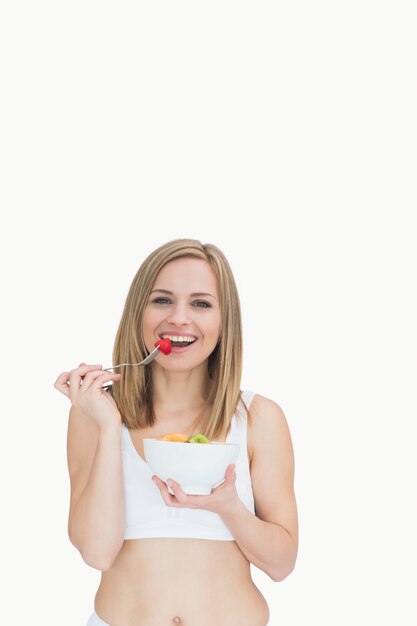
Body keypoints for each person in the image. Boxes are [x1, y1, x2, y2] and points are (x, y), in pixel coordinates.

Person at [54, 238, 298, 626]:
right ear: (139, 312)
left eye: (201, 303)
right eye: (162, 300)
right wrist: (107, 425)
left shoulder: (259, 417)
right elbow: (97, 552)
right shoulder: (94, 416)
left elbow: (282, 564)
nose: (180, 318)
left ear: (224, 320)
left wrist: (229, 507)